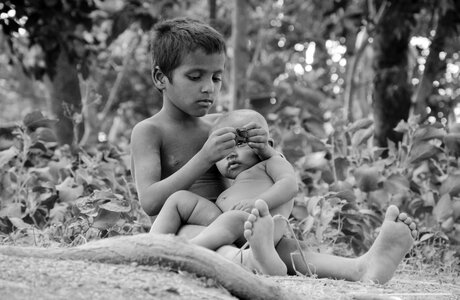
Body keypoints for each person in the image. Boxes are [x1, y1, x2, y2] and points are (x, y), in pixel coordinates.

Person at [130, 17, 418, 284]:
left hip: (237, 223)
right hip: (187, 229)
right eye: (195, 77)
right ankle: (251, 260)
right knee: (219, 247)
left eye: (216, 78)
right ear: (160, 78)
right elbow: (151, 202)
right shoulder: (150, 131)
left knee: (287, 247)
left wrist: (264, 149)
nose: (208, 88)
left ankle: (360, 268)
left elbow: (258, 176)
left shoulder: (223, 125)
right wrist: (205, 156)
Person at [149, 109, 298, 275]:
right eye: (223, 150)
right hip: (227, 226)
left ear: (264, 143)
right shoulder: (239, 181)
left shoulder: (272, 162)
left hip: (256, 226)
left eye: (240, 143)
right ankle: (151, 245)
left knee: (231, 218)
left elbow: (290, 185)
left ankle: (187, 252)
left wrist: (258, 201)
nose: (231, 154)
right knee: (179, 199)